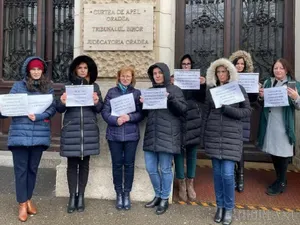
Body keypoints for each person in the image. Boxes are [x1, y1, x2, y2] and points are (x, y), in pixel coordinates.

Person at [0, 56, 56, 222]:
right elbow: (7, 108)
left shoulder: (48, 87)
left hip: (39, 135)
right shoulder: (18, 86)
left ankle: (28, 198)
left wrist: (39, 116)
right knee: (21, 171)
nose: (36, 72)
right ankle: (22, 204)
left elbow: (52, 109)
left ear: (42, 71)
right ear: (28, 71)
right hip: (20, 135)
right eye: (33, 69)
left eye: (39, 69)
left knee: (33, 169)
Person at [203, 58, 251, 225]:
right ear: (215, 74)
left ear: (229, 73)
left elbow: (247, 112)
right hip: (214, 136)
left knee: (228, 174)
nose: (221, 74)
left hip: (231, 138)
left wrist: (227, 109)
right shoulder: (211, 90)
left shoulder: (238, 89)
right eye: (218, 72)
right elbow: (206, 114)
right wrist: (204, 136)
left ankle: (229, 208)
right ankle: (220, 206)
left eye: (224, 71)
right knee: (217, 175)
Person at [56, 55, 103, 213]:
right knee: (71, 165)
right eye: (80, 68)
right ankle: (72, 196)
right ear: (75, 69)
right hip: (72, 129)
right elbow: (59, 108)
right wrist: (62, 101)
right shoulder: (67, 86)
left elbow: (100, 109)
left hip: (88, 130)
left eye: (85, 68)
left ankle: (81, 196)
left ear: (88, 70)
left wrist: (97, 102)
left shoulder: (94, 87)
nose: (83, 71)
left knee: (84, 165)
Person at [141, 63, 187, 215]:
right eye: (154, 73)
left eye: (160, 73)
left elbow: (182, 110)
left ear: (165, 74)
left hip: (168, 135)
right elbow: (146, 114)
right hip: (152, 135)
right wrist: (141, 103)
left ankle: (164, 198)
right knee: (151, 168)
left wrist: (171, 98)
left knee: (165, 169)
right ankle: (158, 194)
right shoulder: (150, 91)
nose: (157, 75)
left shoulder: (175, 90)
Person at [101, 66, 143, 210]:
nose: (125, 78)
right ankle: (118, 193)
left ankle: (127, 193)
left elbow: (141, 114)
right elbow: (105, 112)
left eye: (128, 76)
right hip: (114, 134)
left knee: (129, 165)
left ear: (132, 78)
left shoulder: (137, 93)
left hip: (132, 135)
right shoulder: (111, 92)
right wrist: (115, 120)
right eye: (123, 76)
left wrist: (129, 117)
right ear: (118, 77)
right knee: (117, 165)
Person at [257, 58, 300, 196]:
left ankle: (281, 182)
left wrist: (296, 98)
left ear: (286, 70)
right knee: (274, 153)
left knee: (282, 154)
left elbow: (298, 106)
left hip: (283, 125)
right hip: (270, 123)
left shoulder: (293, 84)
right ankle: (279, 179)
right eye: (276, 68)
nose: (278, 70)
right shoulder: (269, 82)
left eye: (281, 68)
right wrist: (261, 96)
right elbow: (262, 103)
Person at [174, 54, 206, 202]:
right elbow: (171, 97)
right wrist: (171, 84)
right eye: (184, 64)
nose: (186, 66)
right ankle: (181, 182)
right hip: (179, 118)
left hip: (193, 119)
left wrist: (203, 85)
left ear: (191, 65)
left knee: (192, 151)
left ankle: (190, 182)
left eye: (188, 64)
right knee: (179, 151)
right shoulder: (175, 78)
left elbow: (202, 98)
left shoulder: (197, 78)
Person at [229, 50, 256, 192]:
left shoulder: (249, 79)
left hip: (243, 115)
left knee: (240, 146)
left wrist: (256, 90)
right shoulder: (229, 79)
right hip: (231, 113)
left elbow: (253, 100)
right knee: (232, 145)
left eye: (242, 64)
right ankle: (233, 174)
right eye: (237, 63)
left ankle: (240, 175)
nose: (239, 66)